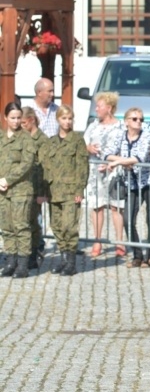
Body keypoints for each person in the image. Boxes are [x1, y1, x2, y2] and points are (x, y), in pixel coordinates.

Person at [103, 107, 150, 268]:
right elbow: (106, 153)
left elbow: (138, 157)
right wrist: (122, 159)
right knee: (128, 220)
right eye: (134, 119)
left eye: (141, 119)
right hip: (131, 183)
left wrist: (118, 162)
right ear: (126, 122)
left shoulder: (146, 136)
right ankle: (137, 254)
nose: (138, 121)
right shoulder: (121, 135)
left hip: (148, 182)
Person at [43, 105, 89, 276]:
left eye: (70, 118)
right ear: (58, 119)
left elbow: (82, 167)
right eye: (64, 118)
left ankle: (71, 263)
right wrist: (44, 191)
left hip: (71, 191)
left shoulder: (77, 140)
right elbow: (46, 167)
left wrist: (79, 189)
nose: (67, 121)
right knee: (56, 226)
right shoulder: (51, 142)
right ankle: (63, 260)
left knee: (69, 226)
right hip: (54, 191)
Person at [84, 92, 125, 258]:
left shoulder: (120, 126)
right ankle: (97, 240)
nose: (96, 109)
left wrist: (113, 163)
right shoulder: (93, 125)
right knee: (97, 205)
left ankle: (120, 242)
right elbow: (84, 141)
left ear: (109, 108)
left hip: (114, 171)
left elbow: (124, 148)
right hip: (95, 171)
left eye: (99, 106)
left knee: (116, 206)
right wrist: (88, 148)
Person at [0, 102, 36, 278]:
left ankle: (23, 264)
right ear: (5, 118)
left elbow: (26, 164)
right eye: (12, 118)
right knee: (6, 227)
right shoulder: (0, 138)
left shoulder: (26, 138)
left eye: (18, 118)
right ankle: (10, 261)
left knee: (21, 226)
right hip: (2, 191)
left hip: (21, 189)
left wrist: (8, 179)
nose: (15, 122)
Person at [21, 106, 48, 271]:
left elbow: (44, 168)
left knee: (35, 223)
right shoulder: (23, 138)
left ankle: (35, 252)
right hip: (24, 186)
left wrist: (42, 192)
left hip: (37, 186)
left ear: (31, 120)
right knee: (24, 221)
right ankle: (24, 253)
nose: (21, 125)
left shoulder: (42, 140)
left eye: (23, 122)